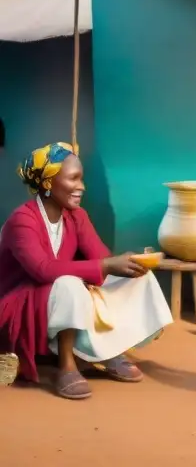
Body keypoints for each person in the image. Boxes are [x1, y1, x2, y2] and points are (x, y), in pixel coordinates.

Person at [0, 143, 172, 400]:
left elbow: (101, 258)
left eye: (82, 178)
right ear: (48, 183)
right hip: (21, 302)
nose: (82, 186)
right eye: (73, 179)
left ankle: (108, 351)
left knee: (135, 277)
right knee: (69, 284)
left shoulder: (76, 216)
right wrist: (103, 266)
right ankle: (67, 366)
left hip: (57, 295)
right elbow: (42, 270)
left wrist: (129, 263)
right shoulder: (22, 220)